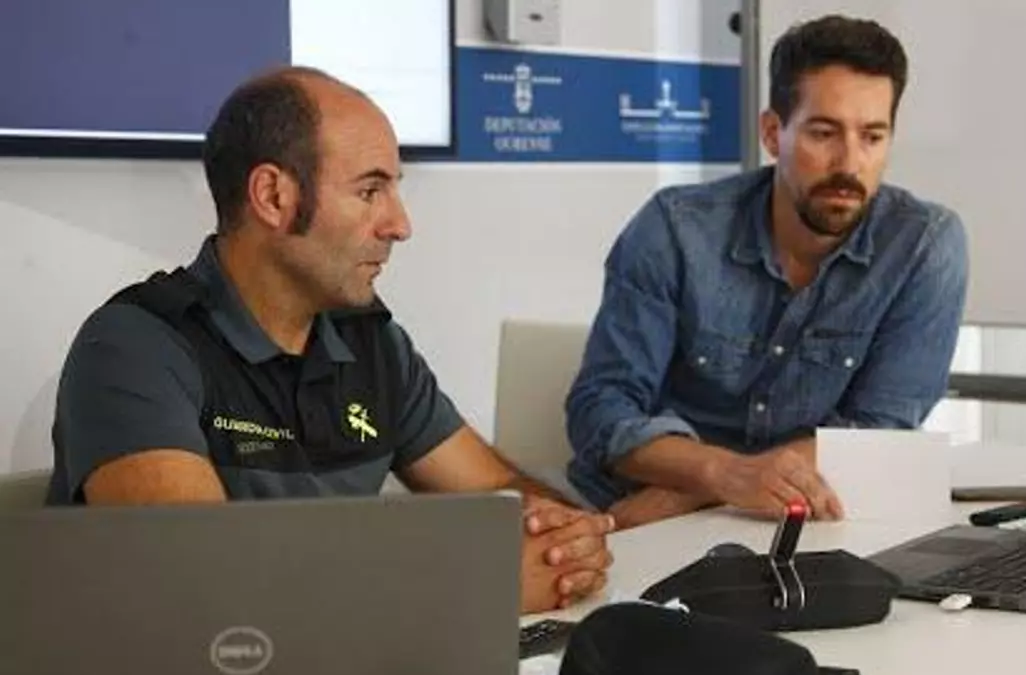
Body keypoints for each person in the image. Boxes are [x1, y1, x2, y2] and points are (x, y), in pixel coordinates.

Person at [46, 67, 613, 614]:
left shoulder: (372, 342)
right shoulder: (134, 347)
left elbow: (495, 488)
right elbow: (203, 582)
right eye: (370, 191)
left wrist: (565, 537)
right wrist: (472, 584)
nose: (400, 225)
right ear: (273, 196)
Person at [566, 15, 968, 529]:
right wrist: (722, 475)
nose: (850, 164)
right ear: (773, 133)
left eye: (872, 136)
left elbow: (878, 431)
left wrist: (704, 492)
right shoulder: (675, 229)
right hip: (634, 516)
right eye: (824, 133)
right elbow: (600, 409)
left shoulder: (925, 245)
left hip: (778, 518)